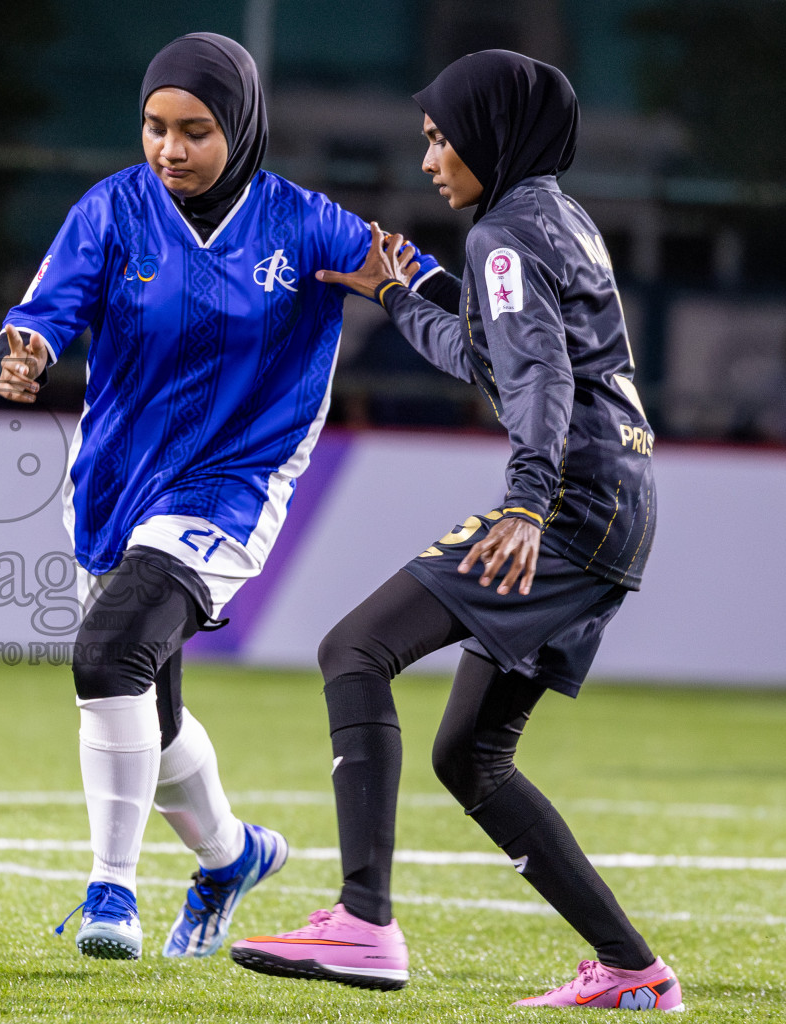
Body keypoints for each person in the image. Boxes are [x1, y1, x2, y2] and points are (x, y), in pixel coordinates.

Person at [228, 51, 684, 1012]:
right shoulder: (554, 217)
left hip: (566, 504)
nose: (430, 157)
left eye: (442, 137)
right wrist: (398, 293)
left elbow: (540, 382)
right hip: (620, 504)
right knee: (469, 756)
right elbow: (497, 355)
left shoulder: (505, 241)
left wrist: (526, 500)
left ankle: (362, 924)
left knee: (353, 648)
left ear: (490, 135)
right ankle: (633, 972)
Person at [0, 33, 453, 961]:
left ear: (239, 128)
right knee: (146, 711)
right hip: (116, 482)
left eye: (195, 130)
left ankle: (109, 894)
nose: (170, 149)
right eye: (156, 128)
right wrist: (29, 350)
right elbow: (48, 307)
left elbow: (410, 269)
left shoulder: (305, 223)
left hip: (237, 485)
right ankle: (232, 855)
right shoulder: (113, 209)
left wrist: (458, 303)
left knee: (108, 653)